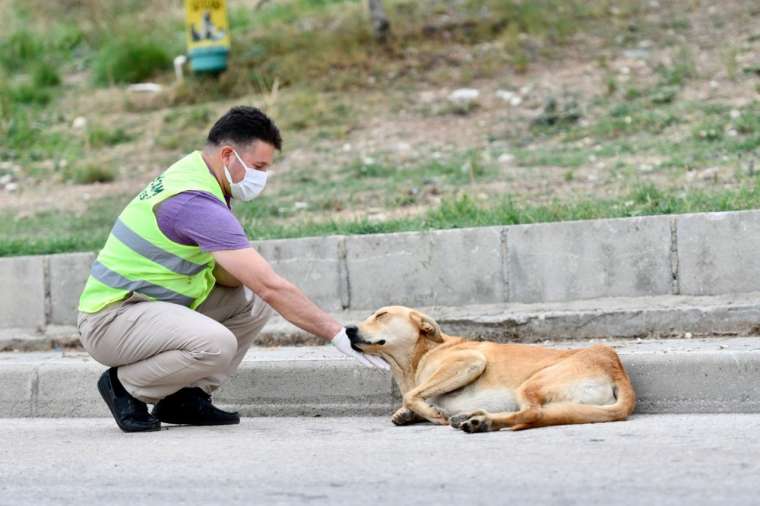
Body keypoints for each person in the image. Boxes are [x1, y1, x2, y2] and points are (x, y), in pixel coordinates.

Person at [76, 106, 388, 433]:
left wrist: (245, 264)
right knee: (218, 342)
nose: (262, 178)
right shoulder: (193, 199)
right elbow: (272, 286)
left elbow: (233, 278)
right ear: (228, 155)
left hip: (149, 308)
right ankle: (124, 386)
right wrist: (337, 334)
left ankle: (185, 397)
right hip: (110, 319)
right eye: (258, 167)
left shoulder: (200, 174)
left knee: (251, 301)